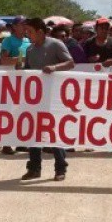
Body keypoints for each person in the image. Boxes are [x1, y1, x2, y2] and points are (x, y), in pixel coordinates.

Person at [20, 17, 74, 181]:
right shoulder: (29, 50)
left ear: (40, 31)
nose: (28, 35)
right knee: (34, 133)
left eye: (30, 31)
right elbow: (28, 71)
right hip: (35, 97)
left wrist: (54, 68)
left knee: (54, 132)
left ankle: (60, 168)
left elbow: (71, 63)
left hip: (54, 97)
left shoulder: (55, 44)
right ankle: (34, 168)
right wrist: (20, 69)